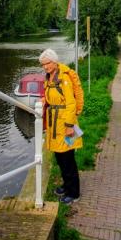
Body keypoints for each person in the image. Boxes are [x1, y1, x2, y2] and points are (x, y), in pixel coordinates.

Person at [39, 48, 82, 205]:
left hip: (64, 123)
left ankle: (74, 192)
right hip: (55, 124)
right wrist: (45, 100)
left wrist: (70, 125)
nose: (45, 67)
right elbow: (52, 95)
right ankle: (66, 185)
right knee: (60, 157)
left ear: (55, 61)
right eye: (43, 64)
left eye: (47, 63)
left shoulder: (64, 78)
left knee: (68, 159)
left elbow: (70, 103)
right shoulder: (50, 77)